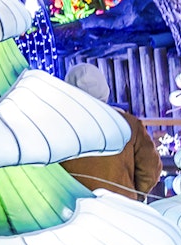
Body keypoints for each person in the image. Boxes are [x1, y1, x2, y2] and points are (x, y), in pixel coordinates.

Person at [60, 62, 161, 201]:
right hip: (122, 209)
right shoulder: (129, 124)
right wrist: (132, 195)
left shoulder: (58, 128)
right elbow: (150, 170)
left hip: (75, 211)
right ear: (105, 89)